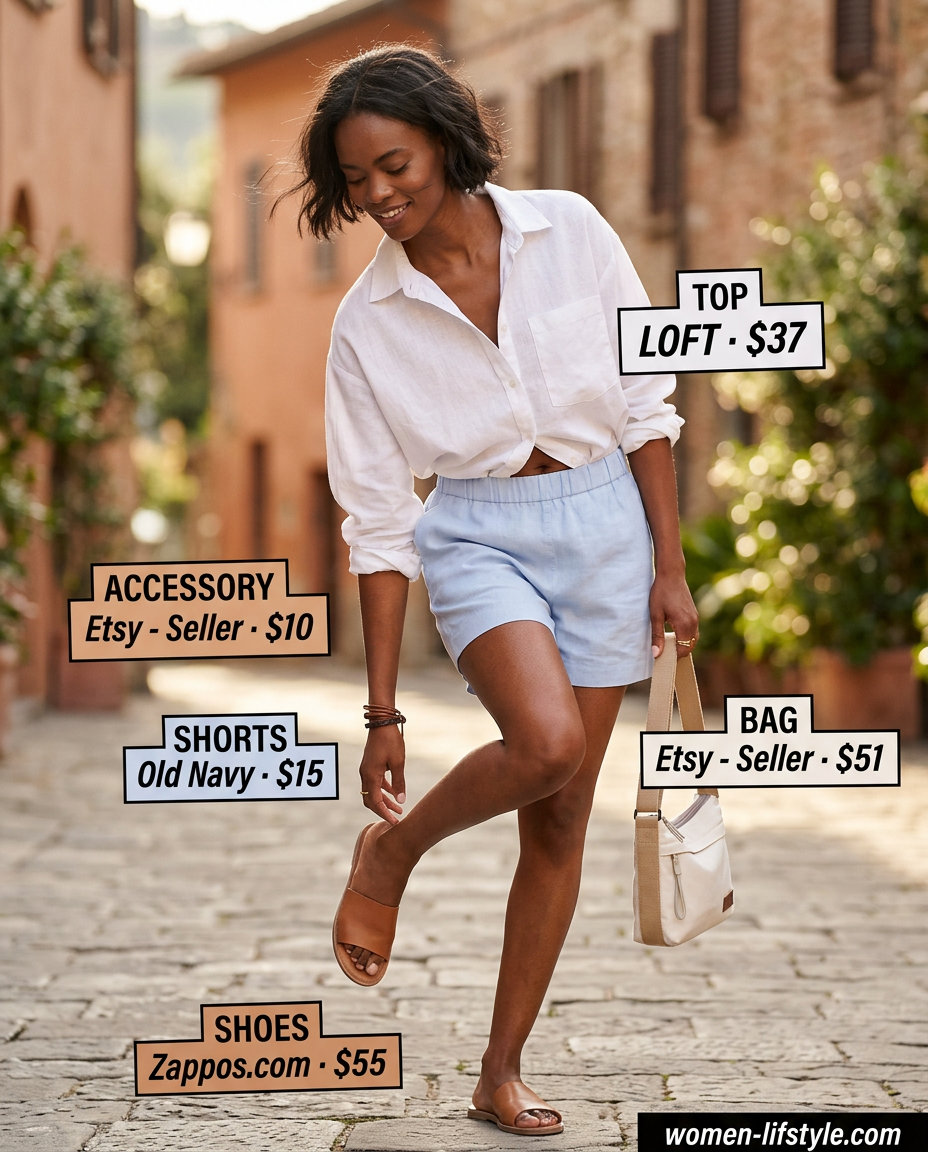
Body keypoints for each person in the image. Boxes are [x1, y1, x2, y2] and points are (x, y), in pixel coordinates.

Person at [283, 44, 698, 1136]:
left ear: (445, 139)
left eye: (393, 165)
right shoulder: (366, 325)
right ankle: (396, 848)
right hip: (478, 536)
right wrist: (380, 711)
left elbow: (646, 405)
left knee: (559, 827)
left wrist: (669, 565)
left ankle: (499, 1070)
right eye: (357, 181)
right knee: (547, 742)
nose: (377, 195)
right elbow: (375, 524)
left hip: (608, 524)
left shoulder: (572, 232)